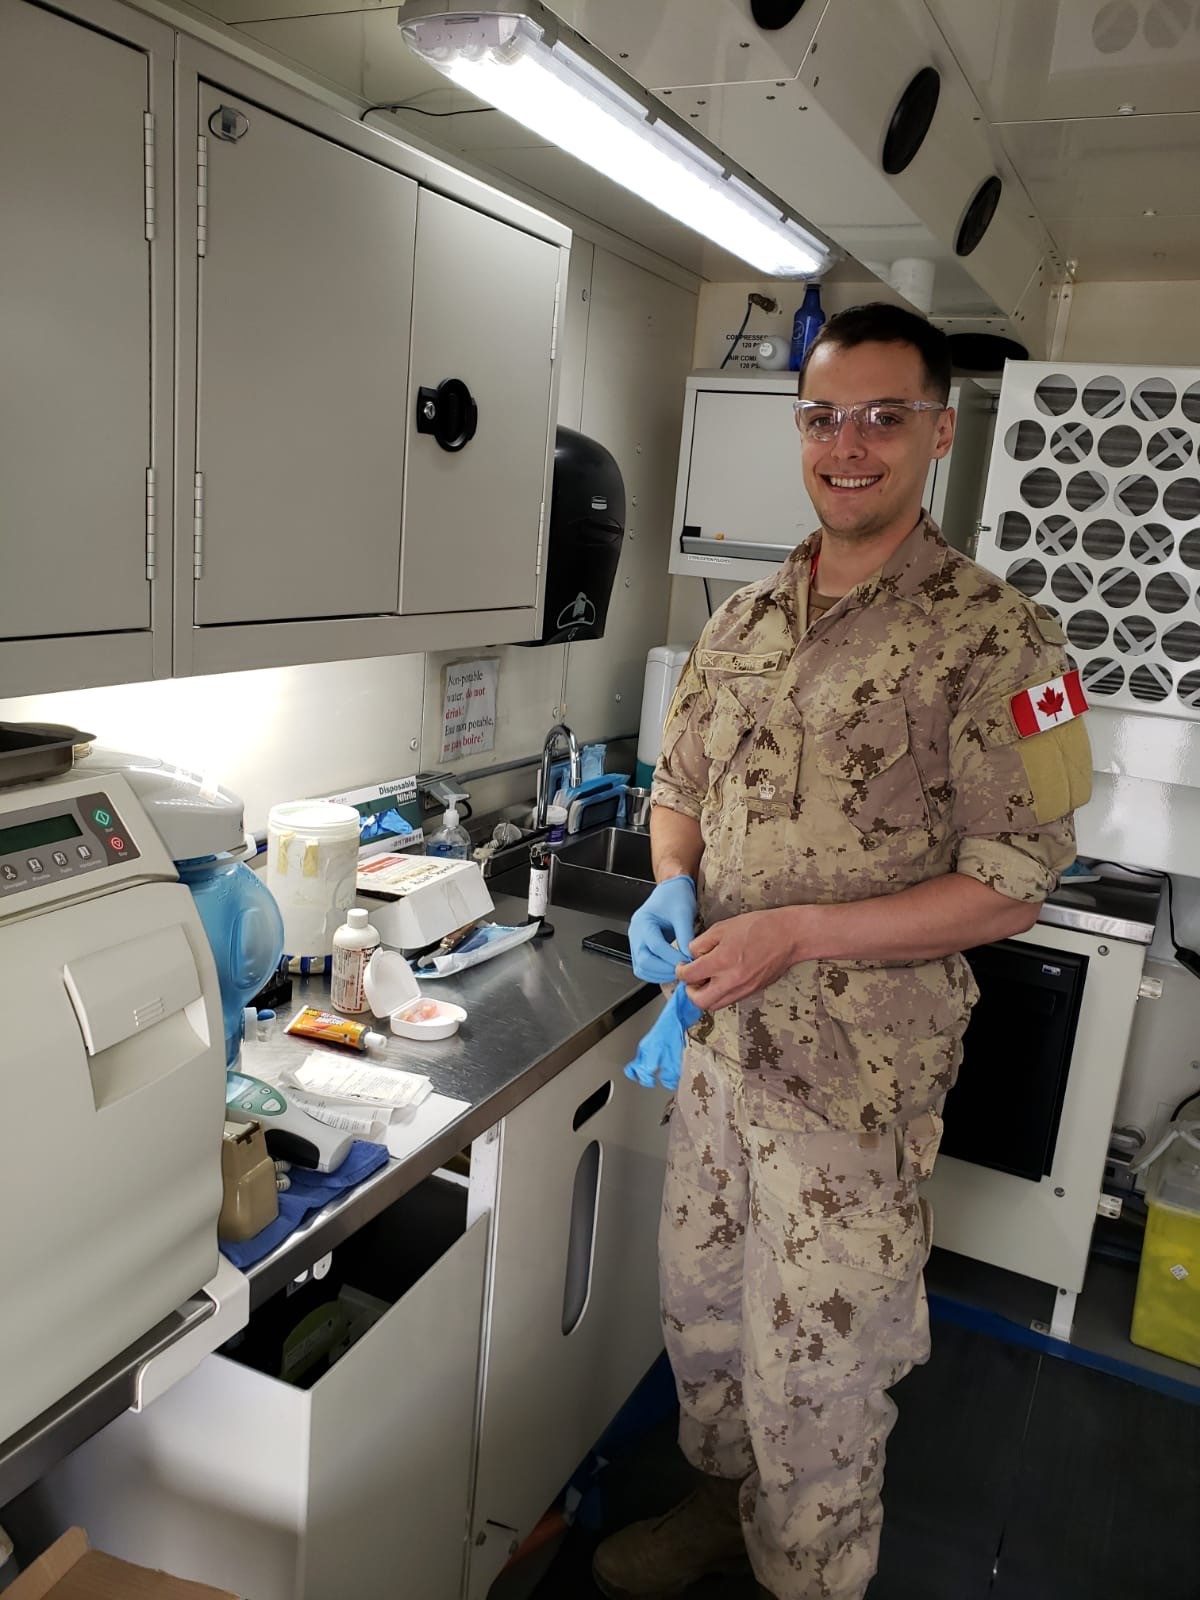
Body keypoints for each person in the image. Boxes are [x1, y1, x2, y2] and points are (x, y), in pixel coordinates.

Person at [593, 303, 1092, 1600]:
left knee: (819, 1370)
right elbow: (678, 791)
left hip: (855, 1091)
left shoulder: (1008, 640)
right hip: (717, 1057)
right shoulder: (739, 621)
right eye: (824, 417)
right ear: (798, 432)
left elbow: (1021, 881)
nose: (849, 445)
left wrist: (800, 930)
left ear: (935, 433)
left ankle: (803, 1576)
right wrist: (672, 886)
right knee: (703, 1327)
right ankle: (719, 1510)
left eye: (883, 417)